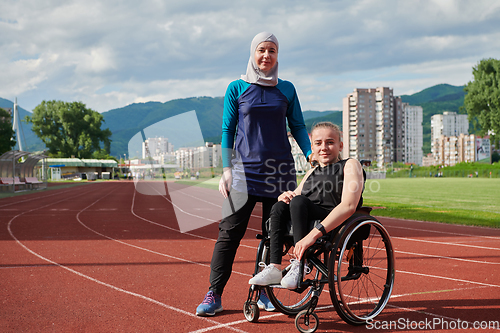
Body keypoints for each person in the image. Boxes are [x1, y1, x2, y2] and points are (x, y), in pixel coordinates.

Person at [196, 32, 312, 316]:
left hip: (281, 172)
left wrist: (311, 155)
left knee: (276, 235)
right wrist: (226, 170)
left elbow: (297, 126)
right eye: (262, 50)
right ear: (253, 53)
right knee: (229, 234)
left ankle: (264, 294)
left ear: (277, 55)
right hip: (243, 172)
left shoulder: (287, 89)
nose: (266, 56)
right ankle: (214, 294)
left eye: (272, 50)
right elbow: (227, 130)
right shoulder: (236, 88)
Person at [248, 122, 365, 289]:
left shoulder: (350, 165)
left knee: (298, 201)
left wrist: (311, 237)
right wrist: (285, 196)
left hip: (331, 221)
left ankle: (299, 264)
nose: (323, 147)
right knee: (280, 206)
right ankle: (274, 266)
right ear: (312, 147)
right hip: (306, 219)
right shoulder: (312, 171)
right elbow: (296, 196)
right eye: (318, 143)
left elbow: (348, 205)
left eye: (330, 142)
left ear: (340, 145)